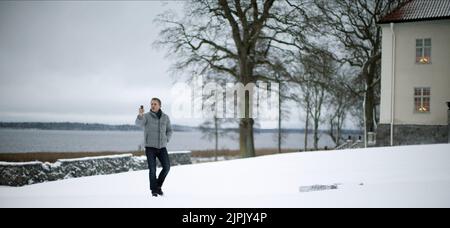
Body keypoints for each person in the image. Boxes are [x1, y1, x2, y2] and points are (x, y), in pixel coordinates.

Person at [135, 98, 173, 197]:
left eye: (155, 104)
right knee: (152, 170)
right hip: (150, 147)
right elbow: (138, 124)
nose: (153, 105)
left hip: (162, 147)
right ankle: (154, 190)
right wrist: (140, 115)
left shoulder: (165, 117)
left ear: (160, 105)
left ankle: (158, 186)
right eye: (151, 104)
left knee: (167, 167)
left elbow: (169, 130)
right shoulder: (146, 116)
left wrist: (166, 139)